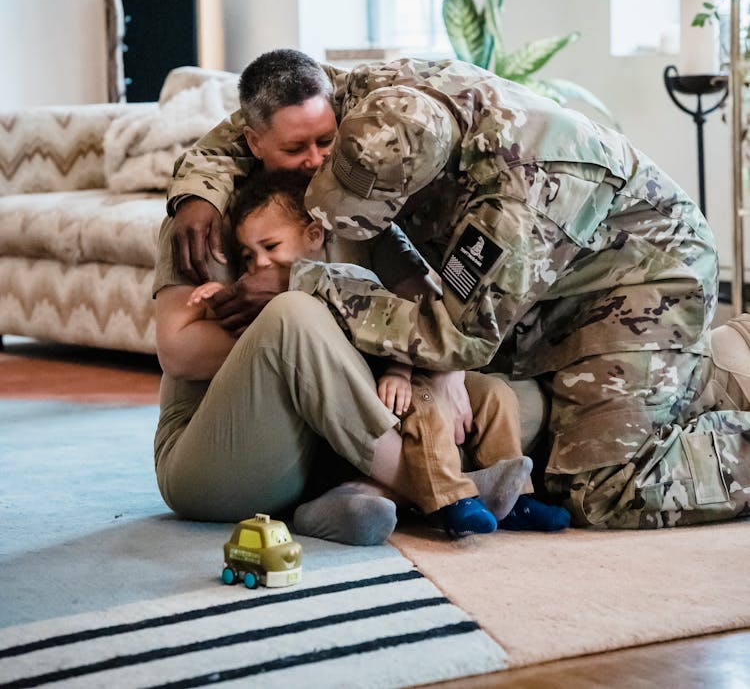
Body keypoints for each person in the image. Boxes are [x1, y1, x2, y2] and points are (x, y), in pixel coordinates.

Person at [163, 51, 750, 530]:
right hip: (533, 287)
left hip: (635, 285)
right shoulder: (372, 98)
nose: (313, 172)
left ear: (422, 179)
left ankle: (703, 379)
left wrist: (308, 280)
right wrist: (198, 192)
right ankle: (712, 368)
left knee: (598, 488)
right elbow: (261, 114)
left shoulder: (518, 202)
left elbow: (458, 333)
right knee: (532, 441)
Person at [186, 169, 570, 537]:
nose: (260, 263)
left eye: (269, 247)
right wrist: (221, 296)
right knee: (426, 409)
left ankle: (514, 498)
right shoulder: (268, 298)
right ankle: (451, 499)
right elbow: (264, 338)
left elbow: (404, 320)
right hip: (361, 405)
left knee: (500, 395)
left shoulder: (351, 275)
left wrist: (406, 371)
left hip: (399, 371)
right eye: (249, 257)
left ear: (314, 234)